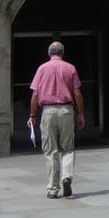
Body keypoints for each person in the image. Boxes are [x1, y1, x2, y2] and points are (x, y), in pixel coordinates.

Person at [28, 41, 85, 198]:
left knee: (51, 150)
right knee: (68, 148)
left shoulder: (42, 68)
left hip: (48, 111)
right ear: (62, 53)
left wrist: (32, 115)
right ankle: (66, 177)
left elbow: (35, 94)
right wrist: (80, 113)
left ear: (49, 53)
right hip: (66, 110)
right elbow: (77, 93)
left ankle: (53, 189)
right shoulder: (70, 68)